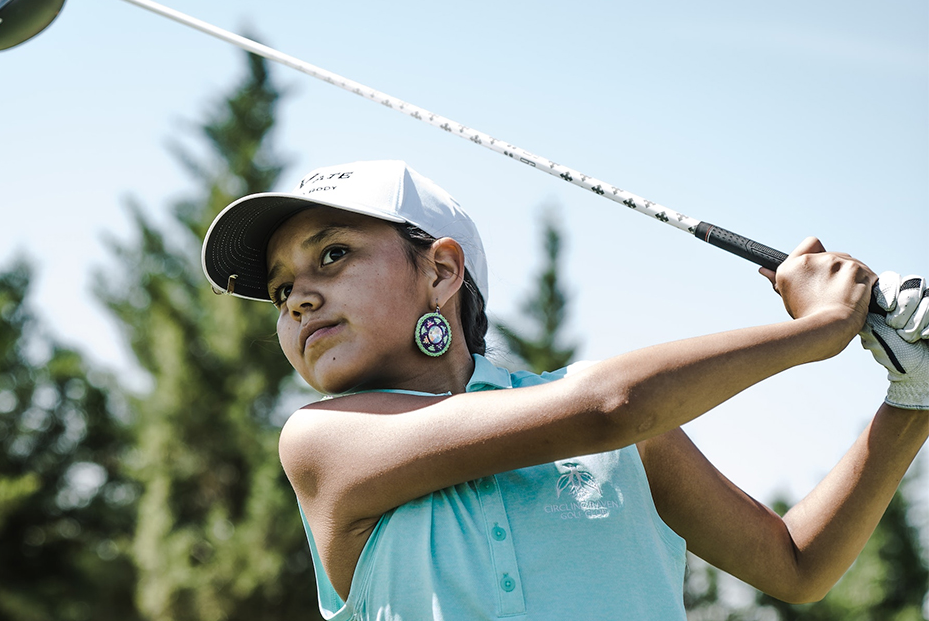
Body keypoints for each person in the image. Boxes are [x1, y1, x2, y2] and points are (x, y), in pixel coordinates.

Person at [201, 159, 928, 620]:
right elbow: (609, 406)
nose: (296, 299)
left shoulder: (607, 419)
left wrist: (910, 399)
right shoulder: (320, 440)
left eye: (333, 254)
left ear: (442, 272)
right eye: (281, 287)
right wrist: (824, 327)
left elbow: (795, 563)